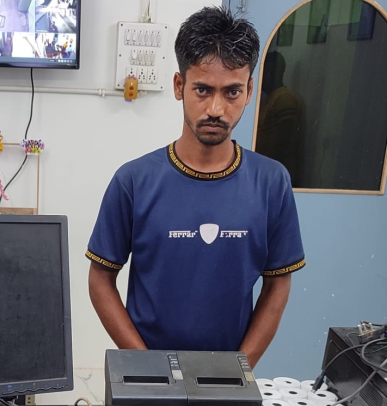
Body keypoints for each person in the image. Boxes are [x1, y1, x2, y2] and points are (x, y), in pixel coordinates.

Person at [86, 6, 305, 368]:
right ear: (179, 86)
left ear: (250, 91)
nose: (216, 108)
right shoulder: (133, 181)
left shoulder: (271, 182)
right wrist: (148, 367)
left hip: (229, 377)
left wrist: (238, 370)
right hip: (146, 377)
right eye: (202, 89)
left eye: (232, 92)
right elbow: (100, 279)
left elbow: (278, 284)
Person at [256, 51, 304, 186]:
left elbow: (283, 146)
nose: (262, 76)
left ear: (274, 73)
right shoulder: (270, 98)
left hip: (275, 178)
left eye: (266, 72)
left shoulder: (284, 99)